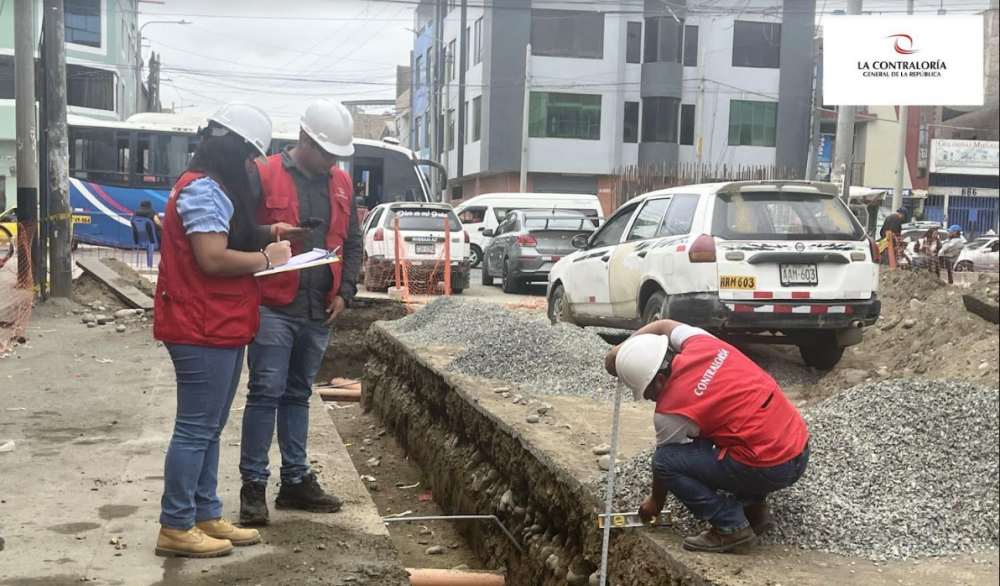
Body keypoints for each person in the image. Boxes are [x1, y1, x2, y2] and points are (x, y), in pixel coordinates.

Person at [153, 103, 292, 558]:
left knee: (209, 428)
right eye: (251, 157)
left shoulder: (212, 190)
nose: (253, 167)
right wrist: (267, 260)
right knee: (195, 429)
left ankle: (204, 512)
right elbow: (212, 258)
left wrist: (264, 236)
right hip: (200, 326)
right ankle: (176, 524)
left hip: (219, 323)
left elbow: (227, 238)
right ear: (233, 150)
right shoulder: (203, 190)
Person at [239, 98, 363, 525]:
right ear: (305, 139)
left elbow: (351, 243)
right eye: (326, 151)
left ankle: (294, 481)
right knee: (265, 393)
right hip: (273, 305)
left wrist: (346, 291)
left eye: (336, 155)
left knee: (298, 394)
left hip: (318, 308)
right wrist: (268, 235)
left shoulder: (342, 184)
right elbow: (236, 231)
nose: (332, 161)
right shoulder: (263, 172)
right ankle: (252, 486)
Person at [604, 319, 810, 553]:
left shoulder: (671, 412)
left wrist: (655, 503)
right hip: (798, 446)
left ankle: (731, 526)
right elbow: (662, 325)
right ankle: (754, 510)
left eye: (646, 391)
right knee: (730, 429)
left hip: (770, 467)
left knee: (665, 461)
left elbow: (665, 463)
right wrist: (621, 350)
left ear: (660, 380)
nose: (648, 399)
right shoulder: (700, 342)